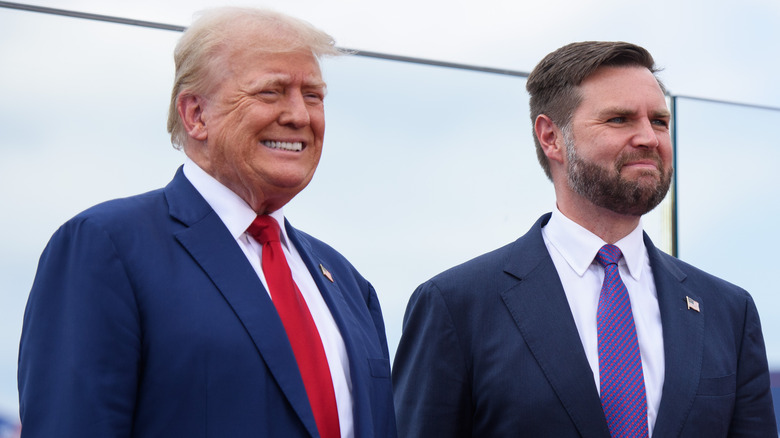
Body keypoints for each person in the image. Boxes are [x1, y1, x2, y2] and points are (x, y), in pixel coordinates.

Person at [18, 7, 396, 438]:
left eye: (313, 95)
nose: (299, 116)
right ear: (196, 115)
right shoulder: (107, 247)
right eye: (271, 92)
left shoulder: (349, 284)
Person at [392, 41, 776, 437]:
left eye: (660, 121)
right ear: (551, 138)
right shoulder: (456, 305)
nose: (649, 137)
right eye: (619, 119)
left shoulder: (728, 312)